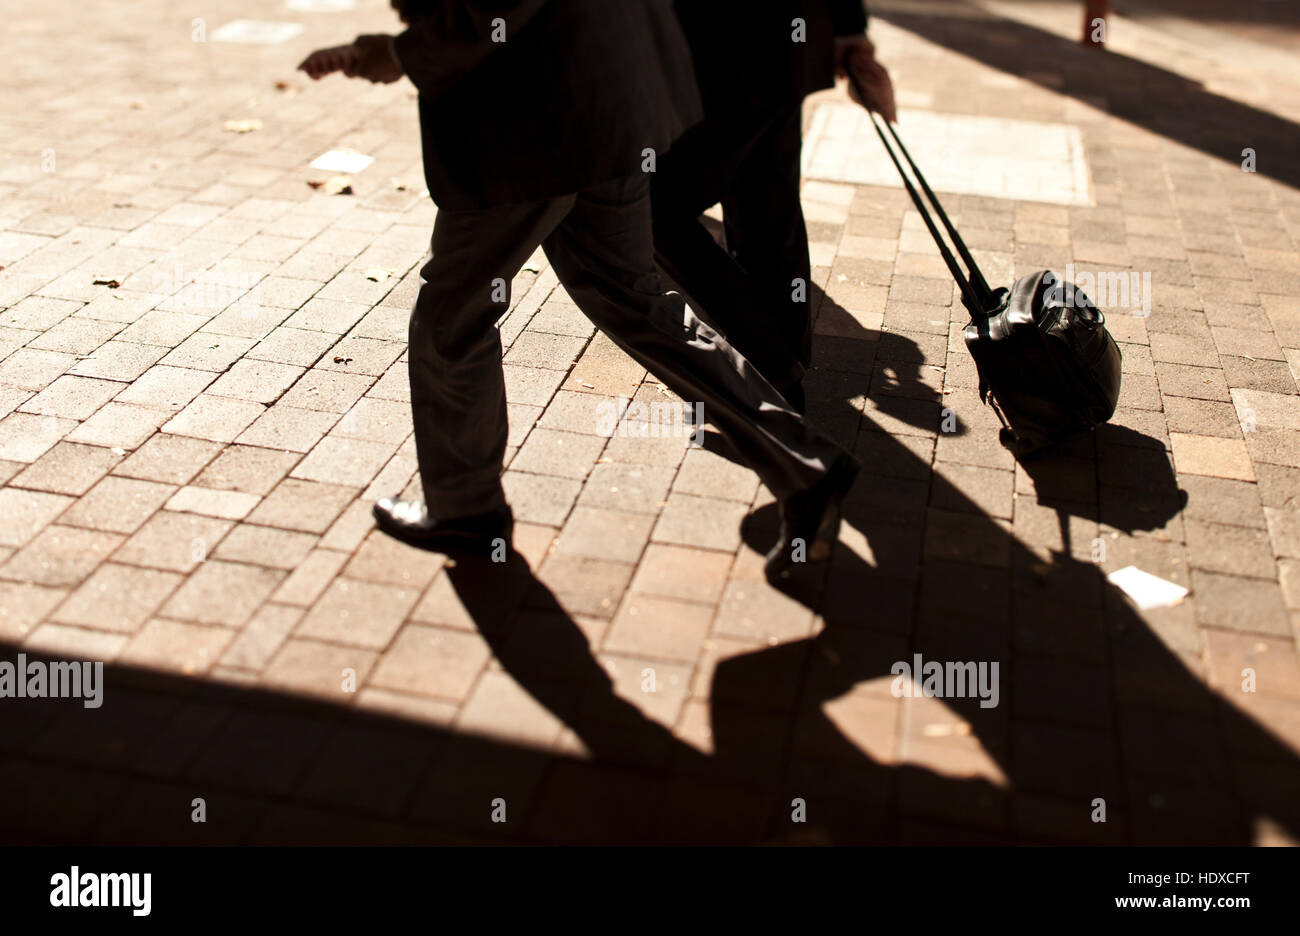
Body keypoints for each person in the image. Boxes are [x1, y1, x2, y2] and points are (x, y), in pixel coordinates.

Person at [298, 0, 859, 581]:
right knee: (635, 302)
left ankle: (465, 509)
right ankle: (807, 466)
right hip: (603, 96)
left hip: (532, 116)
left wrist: (401, 53)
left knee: (453, 315)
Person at [652, 1, 895, 412]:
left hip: (720, 47)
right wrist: (848, 28)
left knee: (655, 211)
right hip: (787, 38)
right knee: (765, 200)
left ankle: (768, 359)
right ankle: (784, 365)